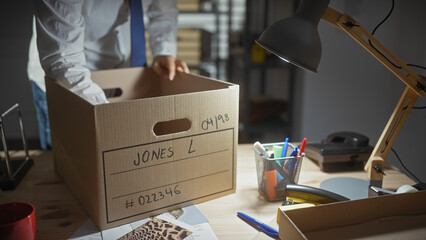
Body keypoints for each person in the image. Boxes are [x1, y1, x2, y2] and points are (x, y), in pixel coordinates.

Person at [28, 0, 189, 149]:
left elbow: (164, 9)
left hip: (124, 72)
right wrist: (110, 120)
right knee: (70, 162)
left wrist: (164, 50)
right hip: (68, 79)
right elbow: (63, 61)